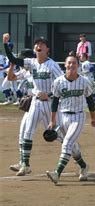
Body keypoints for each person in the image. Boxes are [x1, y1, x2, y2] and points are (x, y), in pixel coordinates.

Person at [3, 34, 82, 176]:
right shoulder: (31, 62)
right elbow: (14, 60)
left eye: (42, 44)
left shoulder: (52, 65)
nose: (39, 46)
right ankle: (25, 164)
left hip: (50, 105)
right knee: (27, 131)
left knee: (57, 135)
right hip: (35, 102)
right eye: (37, 44)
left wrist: (50, 94)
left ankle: (78, 156)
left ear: (47, 49)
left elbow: (63, 83)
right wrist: (5, 44)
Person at [45, 55, 95, 185]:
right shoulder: (58, 81)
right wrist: (52, 121)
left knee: (67, 143)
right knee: (72, 146)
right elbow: (55, 102)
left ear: (78, 65)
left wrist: (93, 118)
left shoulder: (84, 81)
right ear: (65, 65)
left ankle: (57, 173)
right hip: (63, 116)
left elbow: (90, 100)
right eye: (69, 63)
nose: (71, 65)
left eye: (74, 63)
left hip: (78, 116)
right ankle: (84, 166)